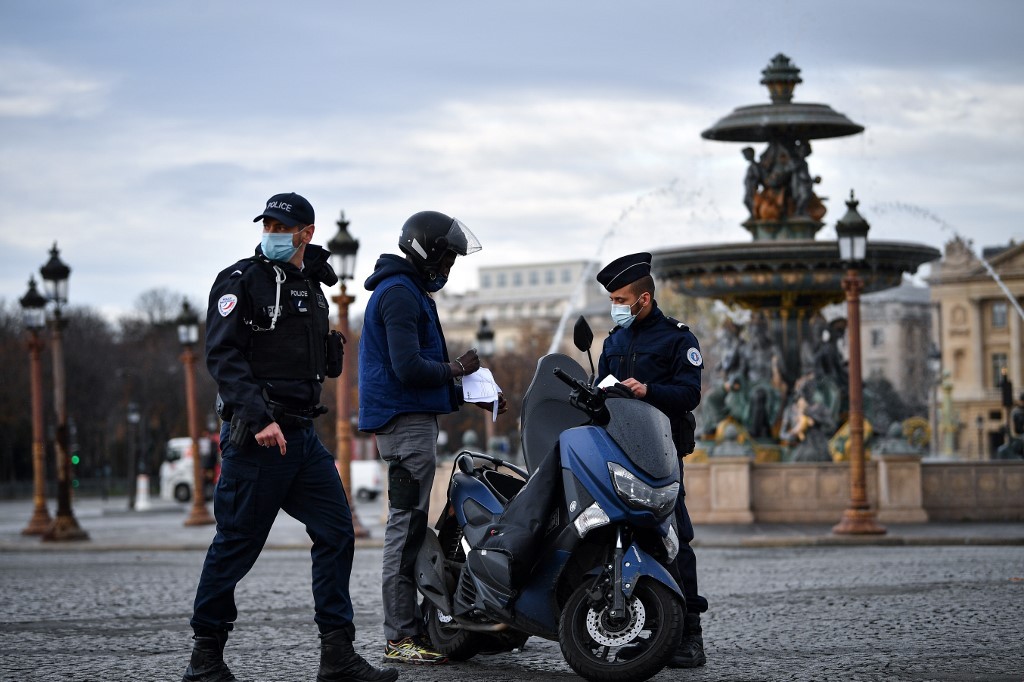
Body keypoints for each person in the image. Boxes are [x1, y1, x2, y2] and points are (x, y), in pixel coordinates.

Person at [183, 193, 397, 682]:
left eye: (283, 225)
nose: (273, 232)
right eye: (269, 224)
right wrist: (259, 419)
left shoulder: (313, 286)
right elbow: (223, 358)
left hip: (301, 436)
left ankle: (337, 656)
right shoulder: (240, 281)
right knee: (236, 545)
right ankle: (205, 659)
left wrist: (331, 355)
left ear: (307, 232)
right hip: (258, 438)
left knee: (336, 531)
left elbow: (311, 360)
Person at [358, 210, 507, 665]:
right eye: (447, 259)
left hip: (409, 420)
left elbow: (412, 374)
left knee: (408, 526)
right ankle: (399, 637)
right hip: (405, 427)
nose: (449, 268)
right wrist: (458, 369)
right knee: (403, 531)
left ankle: (409, 630)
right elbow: (408, 369)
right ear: (427, 252)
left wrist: (463, 390)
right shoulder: (400, 294)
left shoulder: (406, 290)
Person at [595, 252, 708, 669]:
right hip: (616, 449)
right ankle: (643, 629)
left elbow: (689, 394)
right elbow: (599, 388)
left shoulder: (678, 339)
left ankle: (689, 634)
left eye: (622, 298)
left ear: (644, 298)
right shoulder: (613, 340)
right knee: (621, 536)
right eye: (612, 299)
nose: (616, 306)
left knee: (674, 537)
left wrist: (648, 391)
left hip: (660, 453)